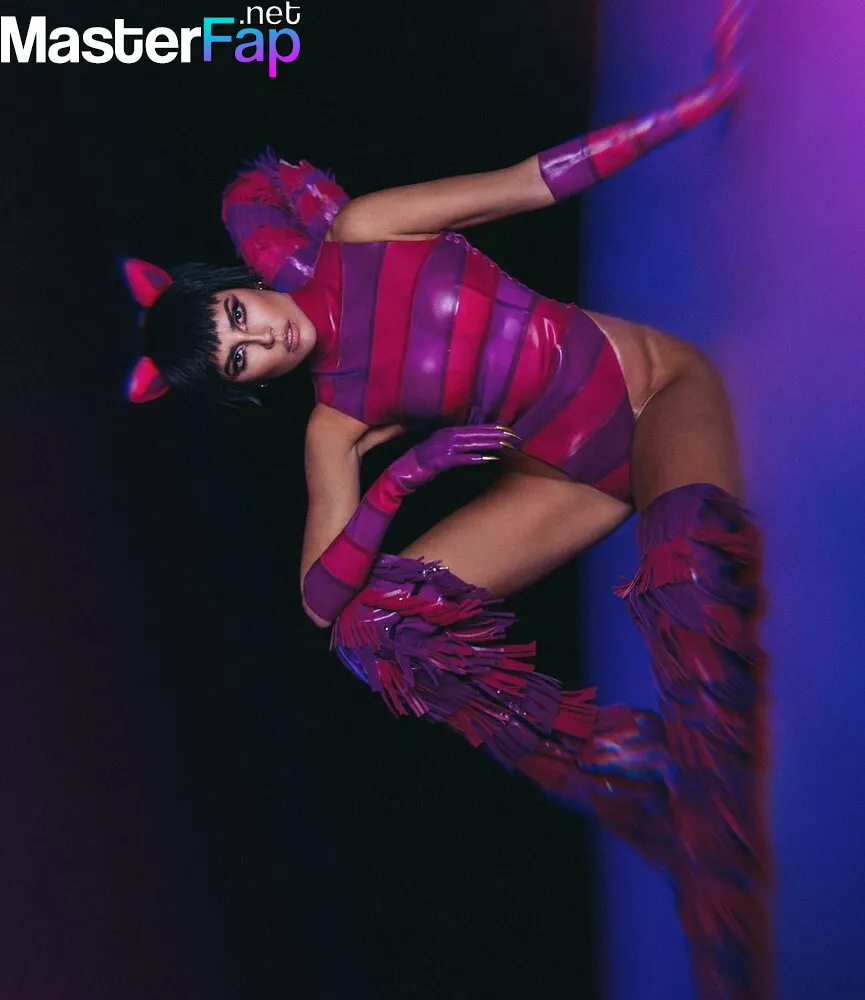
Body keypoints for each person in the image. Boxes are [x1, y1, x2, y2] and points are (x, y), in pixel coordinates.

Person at [123, 2, 770, 996]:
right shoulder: (333, 425)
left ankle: (717, 868)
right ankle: (614, 765)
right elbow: (320, 603)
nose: (264, 337)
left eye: (238, 317)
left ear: (233, 285)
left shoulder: (364, 230)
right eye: (241, 357)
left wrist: (698, 101)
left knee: (691, 606)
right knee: (371, 632)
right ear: (247, 383)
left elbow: (529, 182)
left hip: (655, 392)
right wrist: (403, 478)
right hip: (570, 483)